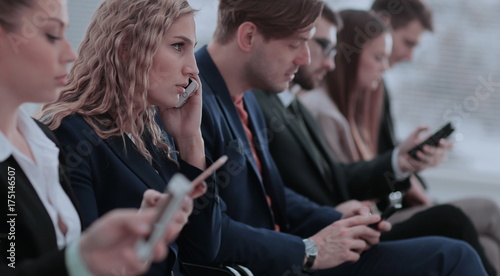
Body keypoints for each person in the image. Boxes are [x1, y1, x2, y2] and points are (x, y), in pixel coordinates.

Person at [196, 0, 487, 274]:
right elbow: (205, 229)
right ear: (248, 37)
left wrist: (336, 221)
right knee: (453, 255)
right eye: (296, 44)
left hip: (293, 248)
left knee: (453, 252)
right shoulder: (195, 105)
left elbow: (272, 194)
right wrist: (308, 249)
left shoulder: (246, 98)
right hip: (275, 261)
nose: (306, 58)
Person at [39, 0, 220, 275]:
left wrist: (190, 139)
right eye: (177, 46)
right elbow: (83, 264)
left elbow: (203, 249)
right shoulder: (69, 133)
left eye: (191, 49)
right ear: (127, 48)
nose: (193, 70)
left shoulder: (151, 133)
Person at [0, 0, 179, 275]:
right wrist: (79, 260)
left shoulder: (41, 139)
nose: (70, 52)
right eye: (51, 35)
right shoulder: (66, 132)